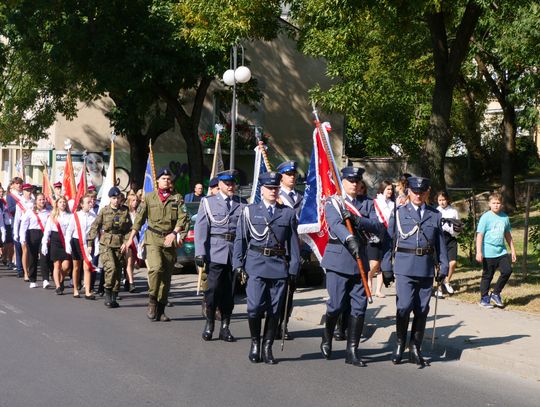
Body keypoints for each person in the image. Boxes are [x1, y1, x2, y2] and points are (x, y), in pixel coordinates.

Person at [233, 171, 300, 364]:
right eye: (269, 188)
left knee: (274, 310)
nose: (273, 191)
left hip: (279, 267)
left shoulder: (287, 213)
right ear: (261, 190)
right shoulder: (250, 211)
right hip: (255, 264)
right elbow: (241, 239)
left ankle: (268, 346)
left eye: (276, 188)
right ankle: (255, 343)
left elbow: (294, 245)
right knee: (254, 308)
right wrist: (238, 263)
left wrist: (294, 269)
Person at [381, 176, 449, 367]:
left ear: (427, 192)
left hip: (426, 268)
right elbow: (389, 242)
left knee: (421, 310)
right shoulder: (399, 212)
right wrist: (386, 267)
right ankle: (400, 344)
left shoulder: (434, 215)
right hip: (404, 267)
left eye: (422, 192)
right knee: (404, 307)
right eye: (415, 191)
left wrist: (443, 266)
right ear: (408, 192)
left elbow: (440, 244)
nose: (418, 195)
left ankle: (415, 348)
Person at [319, 167, 381, 367]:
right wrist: (349, 237)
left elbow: (377, 226)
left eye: (357, 180)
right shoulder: (334, 202)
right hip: (338, 259)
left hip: (360, 261)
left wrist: (357, 220)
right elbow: (335, 224)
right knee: (336, 305)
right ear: (342, 181)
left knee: (359, 307)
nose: (354, 183)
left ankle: (352, 351)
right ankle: (327, 337)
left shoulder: (368, 203)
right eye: (350, 180)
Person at [126, 168, 189, 321]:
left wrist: (176, 234)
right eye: (163, 178)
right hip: (153, 237)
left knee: (166, 277)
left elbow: (184, 218)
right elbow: (139, 220)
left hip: (169, 240)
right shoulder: (149, 197)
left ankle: (161, 310)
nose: (166, 181)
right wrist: (130, 239)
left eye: (168, 179)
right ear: (158, 181)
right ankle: (152, 299)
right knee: (155, 268)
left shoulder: (177, 198)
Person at [194, 169, 245, 341]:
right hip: (215, 252)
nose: (231, 187)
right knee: (213, 290)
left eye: (233, 183)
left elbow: (245, 231)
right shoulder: (208, 202)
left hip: (234, 252)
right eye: (227, 184)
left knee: (229, 293)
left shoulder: (241, 203)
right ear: (220, 185)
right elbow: (201, 228)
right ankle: (210, 323)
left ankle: (225, 326)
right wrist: (200, 252)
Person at [88, 187, 132, 308]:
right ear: (110, 198)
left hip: (120, 244)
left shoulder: (125, 211)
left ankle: (114, 296)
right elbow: (94, 226)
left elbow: (129, 229)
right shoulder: (104, 211)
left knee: (118, 271)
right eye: (114, 198)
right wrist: (90, 244)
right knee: (110, 268)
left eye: (118, 198)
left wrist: (126, 242)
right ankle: (107, 292)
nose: (116, 200)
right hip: (106, 243)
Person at [275, 160, 303, 340]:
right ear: (281, 177)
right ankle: (273, 322)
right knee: (276, 290)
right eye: (288, 174)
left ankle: (283, 324)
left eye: (294, 174)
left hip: (294, 250)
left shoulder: (301, 197)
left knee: (289, 291)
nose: (292, 177)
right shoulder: (275, 196)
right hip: (277, 250)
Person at [475, 192, 516, 309]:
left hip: (501, 252)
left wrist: (512, 250)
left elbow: (507, 235)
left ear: (501, 204)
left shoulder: (505, 217)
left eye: (498, 203)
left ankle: (496, 293)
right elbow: (480, 235)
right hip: (488, 252)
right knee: (488, 275)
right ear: (489, 204)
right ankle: (484, 298)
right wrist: (479, 252)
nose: (496, 205)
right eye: (494, 203)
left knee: (507, 271)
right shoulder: (485, 217)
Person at [65, 194, 97, 299]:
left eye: (91, 202)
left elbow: (95, 232)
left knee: (87, 266)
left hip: (88, 244)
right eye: (88, 202)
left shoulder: (94, 217)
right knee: (76, 267)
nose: (91, 204)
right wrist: (67, 244)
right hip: (76, 242)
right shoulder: (76, 215)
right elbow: (69, 230)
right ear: (82, 205)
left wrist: (95, 245)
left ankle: (87, 291)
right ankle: (75, 289)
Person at [369, 180, 395, 298]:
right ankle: (368, 283)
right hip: (376, 236)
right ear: (382, 189)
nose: (390, 191)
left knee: (382, 264)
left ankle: (378, 290)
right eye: (388, 189)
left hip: (388, 236)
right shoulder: (375, 202)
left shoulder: (393, 204)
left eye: (391, 189)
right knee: (374, 264)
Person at [41, 196, 72, 295]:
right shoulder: (52, 216)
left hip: (66, 240)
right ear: (57, 204)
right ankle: (58, 286)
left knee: (66, 266)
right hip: (55, 240)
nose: (63, 204)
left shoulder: (70, 215)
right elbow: (47, 231)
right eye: (60, 202)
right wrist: (44, 243)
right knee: (57, 265)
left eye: (64, 202)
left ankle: (61, 279)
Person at [19, 193, 50, 288]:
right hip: (32, 234)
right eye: (40, 199)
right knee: (32, 257)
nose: (42, 201)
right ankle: (32, 279)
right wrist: (22, 238)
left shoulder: (49, 211)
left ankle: (45, 279)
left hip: (44, 234)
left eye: (43, 199)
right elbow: (24, 225)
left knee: (44, 257)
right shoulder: (30, 211)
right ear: (36, 201)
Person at [436, 191, 460, 297]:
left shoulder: (453, 211)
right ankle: (439, 288)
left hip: (451, 238)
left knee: (453, 262)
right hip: (439, 238)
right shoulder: (436, 211)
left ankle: (447, 281)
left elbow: (458, 226)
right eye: (440, 200)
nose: (442, 202)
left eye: (443, 200)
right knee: (440, 265)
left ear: (448, 200)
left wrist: (455, 230)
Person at [13, 183, 35, 281]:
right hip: (23, 226)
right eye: (27, 190)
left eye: (30, 190)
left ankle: (31, 270)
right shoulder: (20, 203)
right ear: (23, 191)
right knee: (25, 250)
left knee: (32, 251)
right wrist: (15, 233)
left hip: (33, 227)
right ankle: (25, 273)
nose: (29, 192)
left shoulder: (34, 202)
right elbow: (17, 219)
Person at [124, 192, 140, 292]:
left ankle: (127, 280)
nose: (135, 203)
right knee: (129, 261)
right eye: (133, 200)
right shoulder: (126, 213)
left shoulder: (139, 213)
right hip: (128, 239)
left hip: (136, 239)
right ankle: (131, 283)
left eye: (136, 201)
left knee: (133, 261)